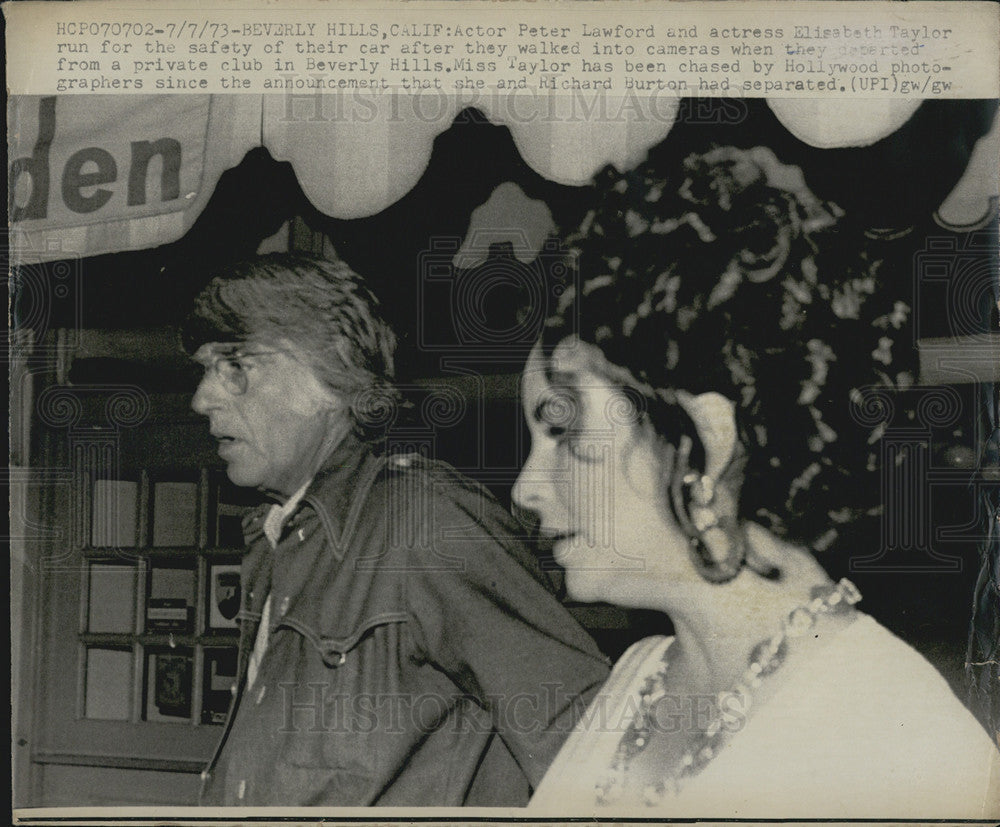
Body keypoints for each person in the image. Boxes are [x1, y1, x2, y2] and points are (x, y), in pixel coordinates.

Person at [514, 147, 1000, 817]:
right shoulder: (638, 678)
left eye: (563, 430)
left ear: (708, 441)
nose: (525, 486)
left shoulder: (901, 745)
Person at [182, 253, 610, 807]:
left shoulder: (423, 523)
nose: (202, 398)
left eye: (235, 365)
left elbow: (589, 752)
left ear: (328, 373)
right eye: (205, 369)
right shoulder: (276, 544)